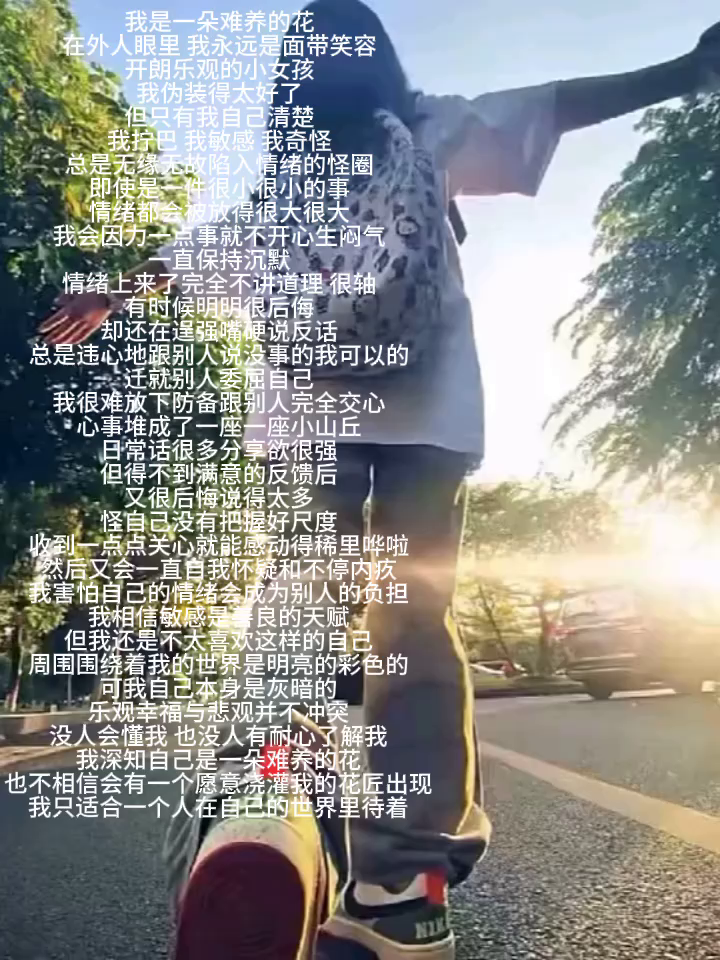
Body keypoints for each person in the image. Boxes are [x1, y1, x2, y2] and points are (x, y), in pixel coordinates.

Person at [39, 5, 720, 959]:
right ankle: (403, 882)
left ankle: (259, 798)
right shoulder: (432, 127)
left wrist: (114, 288)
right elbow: (556, 103)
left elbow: (201, 252)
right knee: (412, 619)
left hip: (309, 418)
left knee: (301, 591)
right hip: (428, 412)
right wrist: (687, 72)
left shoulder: (287, 179)